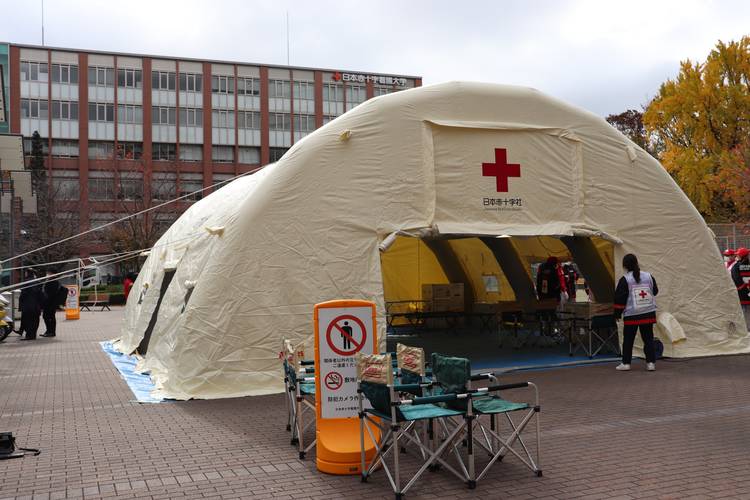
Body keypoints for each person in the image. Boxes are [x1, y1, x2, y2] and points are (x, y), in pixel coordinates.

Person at [613, 254, 658, 371]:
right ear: (637, 262)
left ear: (624, 265)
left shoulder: (625, 279)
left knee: (628, 340)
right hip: (648, 313)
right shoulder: (648, 276)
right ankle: (651, 363)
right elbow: (655, 291)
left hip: (632, 314)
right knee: (648, 339)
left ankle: (626, 363)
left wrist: (617, 313)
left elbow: (620, 299)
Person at [19, 271, 44, 341]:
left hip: (28, 305)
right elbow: (41, 294)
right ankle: (33, 335)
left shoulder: (26, 282)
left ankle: (29, 335)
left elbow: (23, 294)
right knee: (35, 320)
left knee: (28, 321)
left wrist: (21, 301)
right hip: (36, 306)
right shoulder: (38, 281)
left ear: (27, 273)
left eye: (25, 272)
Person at [731, 247, 750, 330]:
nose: (736, 256)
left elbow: (737, 280)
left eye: (738, 255)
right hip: (745, 292)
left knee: (744, 310)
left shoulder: (737, 266)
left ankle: (746, 328)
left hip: (742, 293)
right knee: (745, 310)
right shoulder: (743, 265)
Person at [41, 270, 62, 338]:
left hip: (51, 303)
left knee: (50, 317)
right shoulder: (50, 281)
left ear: (53, 274)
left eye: (49, 273)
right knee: (47, 316)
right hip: (48, 303)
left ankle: (51, 332)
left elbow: (51, 294)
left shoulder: (54, 282)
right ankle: (48, 331)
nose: (47, 274)